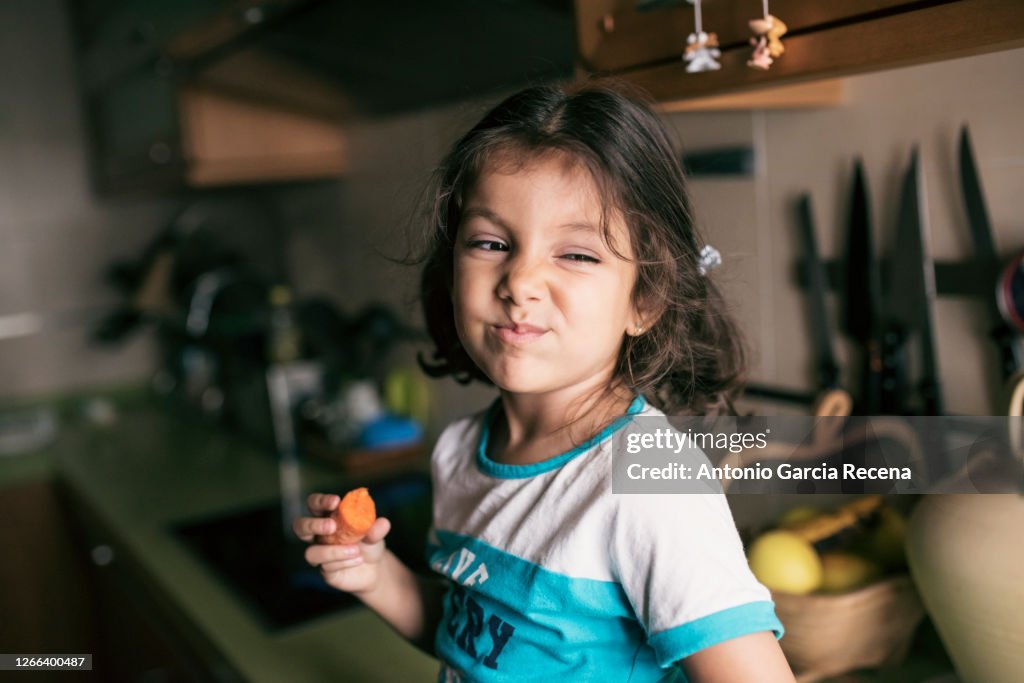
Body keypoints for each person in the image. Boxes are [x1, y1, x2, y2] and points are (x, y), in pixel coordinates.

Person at [294, 82, 796, 682]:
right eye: (491, 243)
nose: (520, 281)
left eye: (578, 254)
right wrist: (374, 574)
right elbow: (474, 640)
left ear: (646, 299)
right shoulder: (459, 453)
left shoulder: (649, 480)